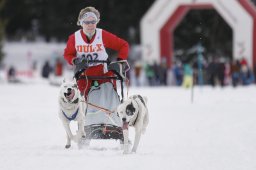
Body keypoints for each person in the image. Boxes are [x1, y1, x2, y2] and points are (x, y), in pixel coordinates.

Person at [63, 6, 129, 97]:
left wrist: (120, 61)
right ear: (81, 23)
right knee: (84, 104)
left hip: (104, 74)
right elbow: (68, 54)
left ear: (97, 22)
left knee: (109, 101)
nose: (90, 25)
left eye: (93, 22)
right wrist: (75, 60)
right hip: (84, 75)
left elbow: (123, 45)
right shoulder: (74, 38)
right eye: (86, 22)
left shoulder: (102, 35)